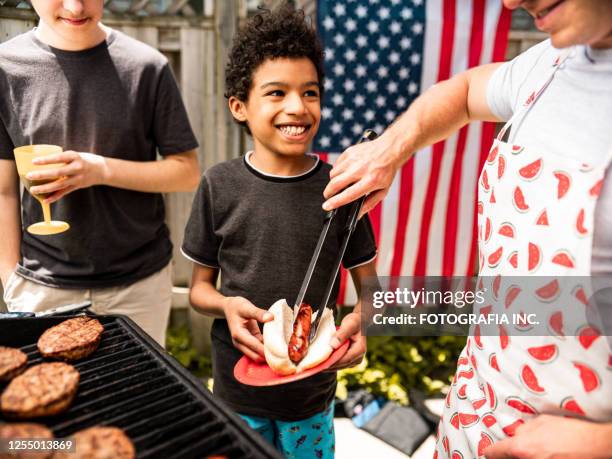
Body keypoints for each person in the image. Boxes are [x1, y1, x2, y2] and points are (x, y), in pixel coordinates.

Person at [321, 0, 612, 457]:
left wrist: (601, 442)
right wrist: (392, 148)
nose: (511, 3)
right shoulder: (549, 64)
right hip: (474, 416)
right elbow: (464, 89)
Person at [182, 5, 377, 458]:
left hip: (309, 399)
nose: (297, 107)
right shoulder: (219, 184)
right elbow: (199, 291)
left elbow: (370, 287)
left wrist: (362, 324)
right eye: (276, 93)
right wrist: (227, 305)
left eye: (310, 92)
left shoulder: (343, 188)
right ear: (239, 106)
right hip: (235, 392)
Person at [0, 0, 200, 346]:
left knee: (139, 397)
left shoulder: (146, 67)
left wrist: (101, 170)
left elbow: (186, 172)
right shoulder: (6, 69)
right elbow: (2, 189)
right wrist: (10, 279)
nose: (76, 7)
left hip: (140, 286)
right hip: (42, 290)